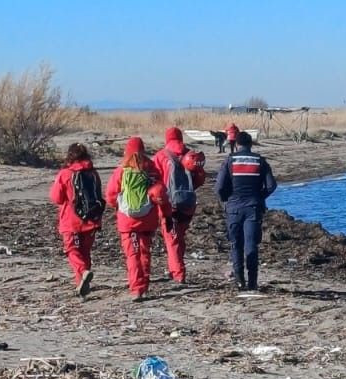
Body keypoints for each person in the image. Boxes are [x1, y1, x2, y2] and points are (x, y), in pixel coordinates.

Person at [105, 136, 166, 300]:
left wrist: (119, 206)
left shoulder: (122, 170)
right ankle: (144, 285)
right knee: (145, 252)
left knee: (133, 254)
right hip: (147, 218)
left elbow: (110, 195)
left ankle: (137, 288)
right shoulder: (152, 169)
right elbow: (160, 191)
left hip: (128, 220)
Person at [215, 130, 277, 292]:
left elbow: (219, 187)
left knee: (236, 244)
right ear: (251, 144)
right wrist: (259, 197)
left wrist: (226, 200)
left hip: (234, 208)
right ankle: (253, 282)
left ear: (236, 145)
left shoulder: (229, 161)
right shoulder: (260, 161)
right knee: (251, 244)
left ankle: (239, 280)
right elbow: (271, 186)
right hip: (253, 207)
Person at [151, 126, 207, 285]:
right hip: (188, 204)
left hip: (170, 204)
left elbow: (155, 180)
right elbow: (199, 179)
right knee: (179, 236)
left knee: (172, 238)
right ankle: (175, 267)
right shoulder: (191, 155)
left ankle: (178, 273)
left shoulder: (161, 156)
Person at [48, 143, 104, 296]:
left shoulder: (66, 174)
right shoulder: (93, 173)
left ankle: (82, 273)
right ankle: (81, 285)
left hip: (71, 221)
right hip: (91, 220)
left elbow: (56, 198)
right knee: (85, 252)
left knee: (72, 251)